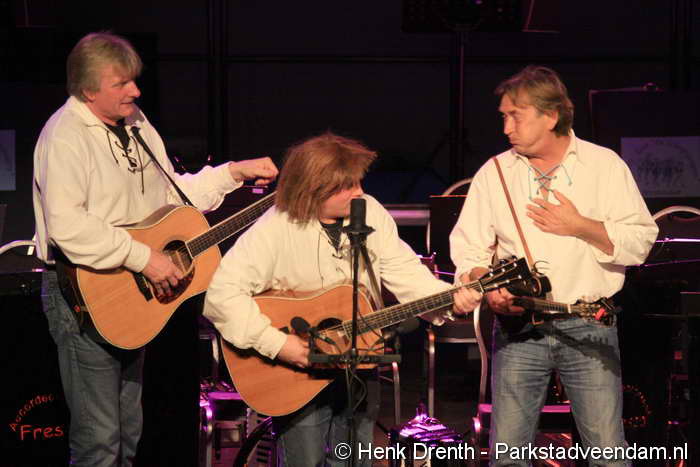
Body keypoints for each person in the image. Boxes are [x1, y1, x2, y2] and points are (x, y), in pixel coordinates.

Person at [32, 32, 278, 467]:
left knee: (128, 434)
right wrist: (146, 258)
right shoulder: (65, 136)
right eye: (121, 84)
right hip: (84, 293)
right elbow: (68, 226)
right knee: (99, 443)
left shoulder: (136, 123)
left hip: (130, 294)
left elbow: (172, 197)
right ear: (88, 90)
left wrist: (232, 173)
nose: (135, 91)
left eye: (134, 80)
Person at [204, 131, 481, 466]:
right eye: (347, 186)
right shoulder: (276, 227)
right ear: (315, 189)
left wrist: (449, 299)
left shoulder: (370, 213)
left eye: (358, 182)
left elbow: (406, 273)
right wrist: (278, 344)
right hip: (295, 373)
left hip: (358, 364)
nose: (359, 191)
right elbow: (222, 294)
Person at [449, 66, 658, 466]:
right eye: (503, 117)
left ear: (551, 115)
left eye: (516, 116)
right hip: (519, 329)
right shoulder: (495, 172)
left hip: (589, 323)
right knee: (508, 455)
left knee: (607, 454)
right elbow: (470, 250)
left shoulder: (603, 166)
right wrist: (487, 287)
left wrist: (580, 225)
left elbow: (640, 243)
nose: (506, 127)